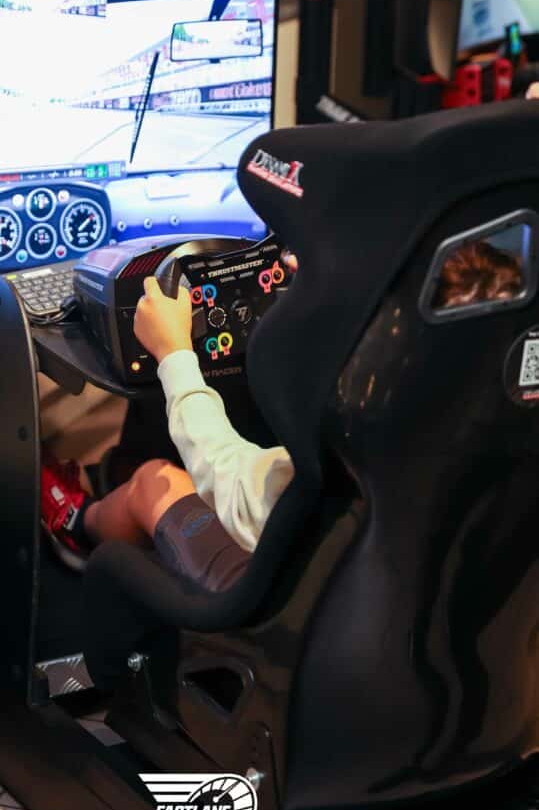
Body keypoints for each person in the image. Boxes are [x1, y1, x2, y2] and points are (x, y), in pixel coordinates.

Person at [41, 234, 523, 590]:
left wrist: (173, 354)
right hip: (432, 625)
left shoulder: (351, 465)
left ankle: (78, 522)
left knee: (155, 479)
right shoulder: (497, 445)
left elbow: (225, 477)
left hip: (279, 601)